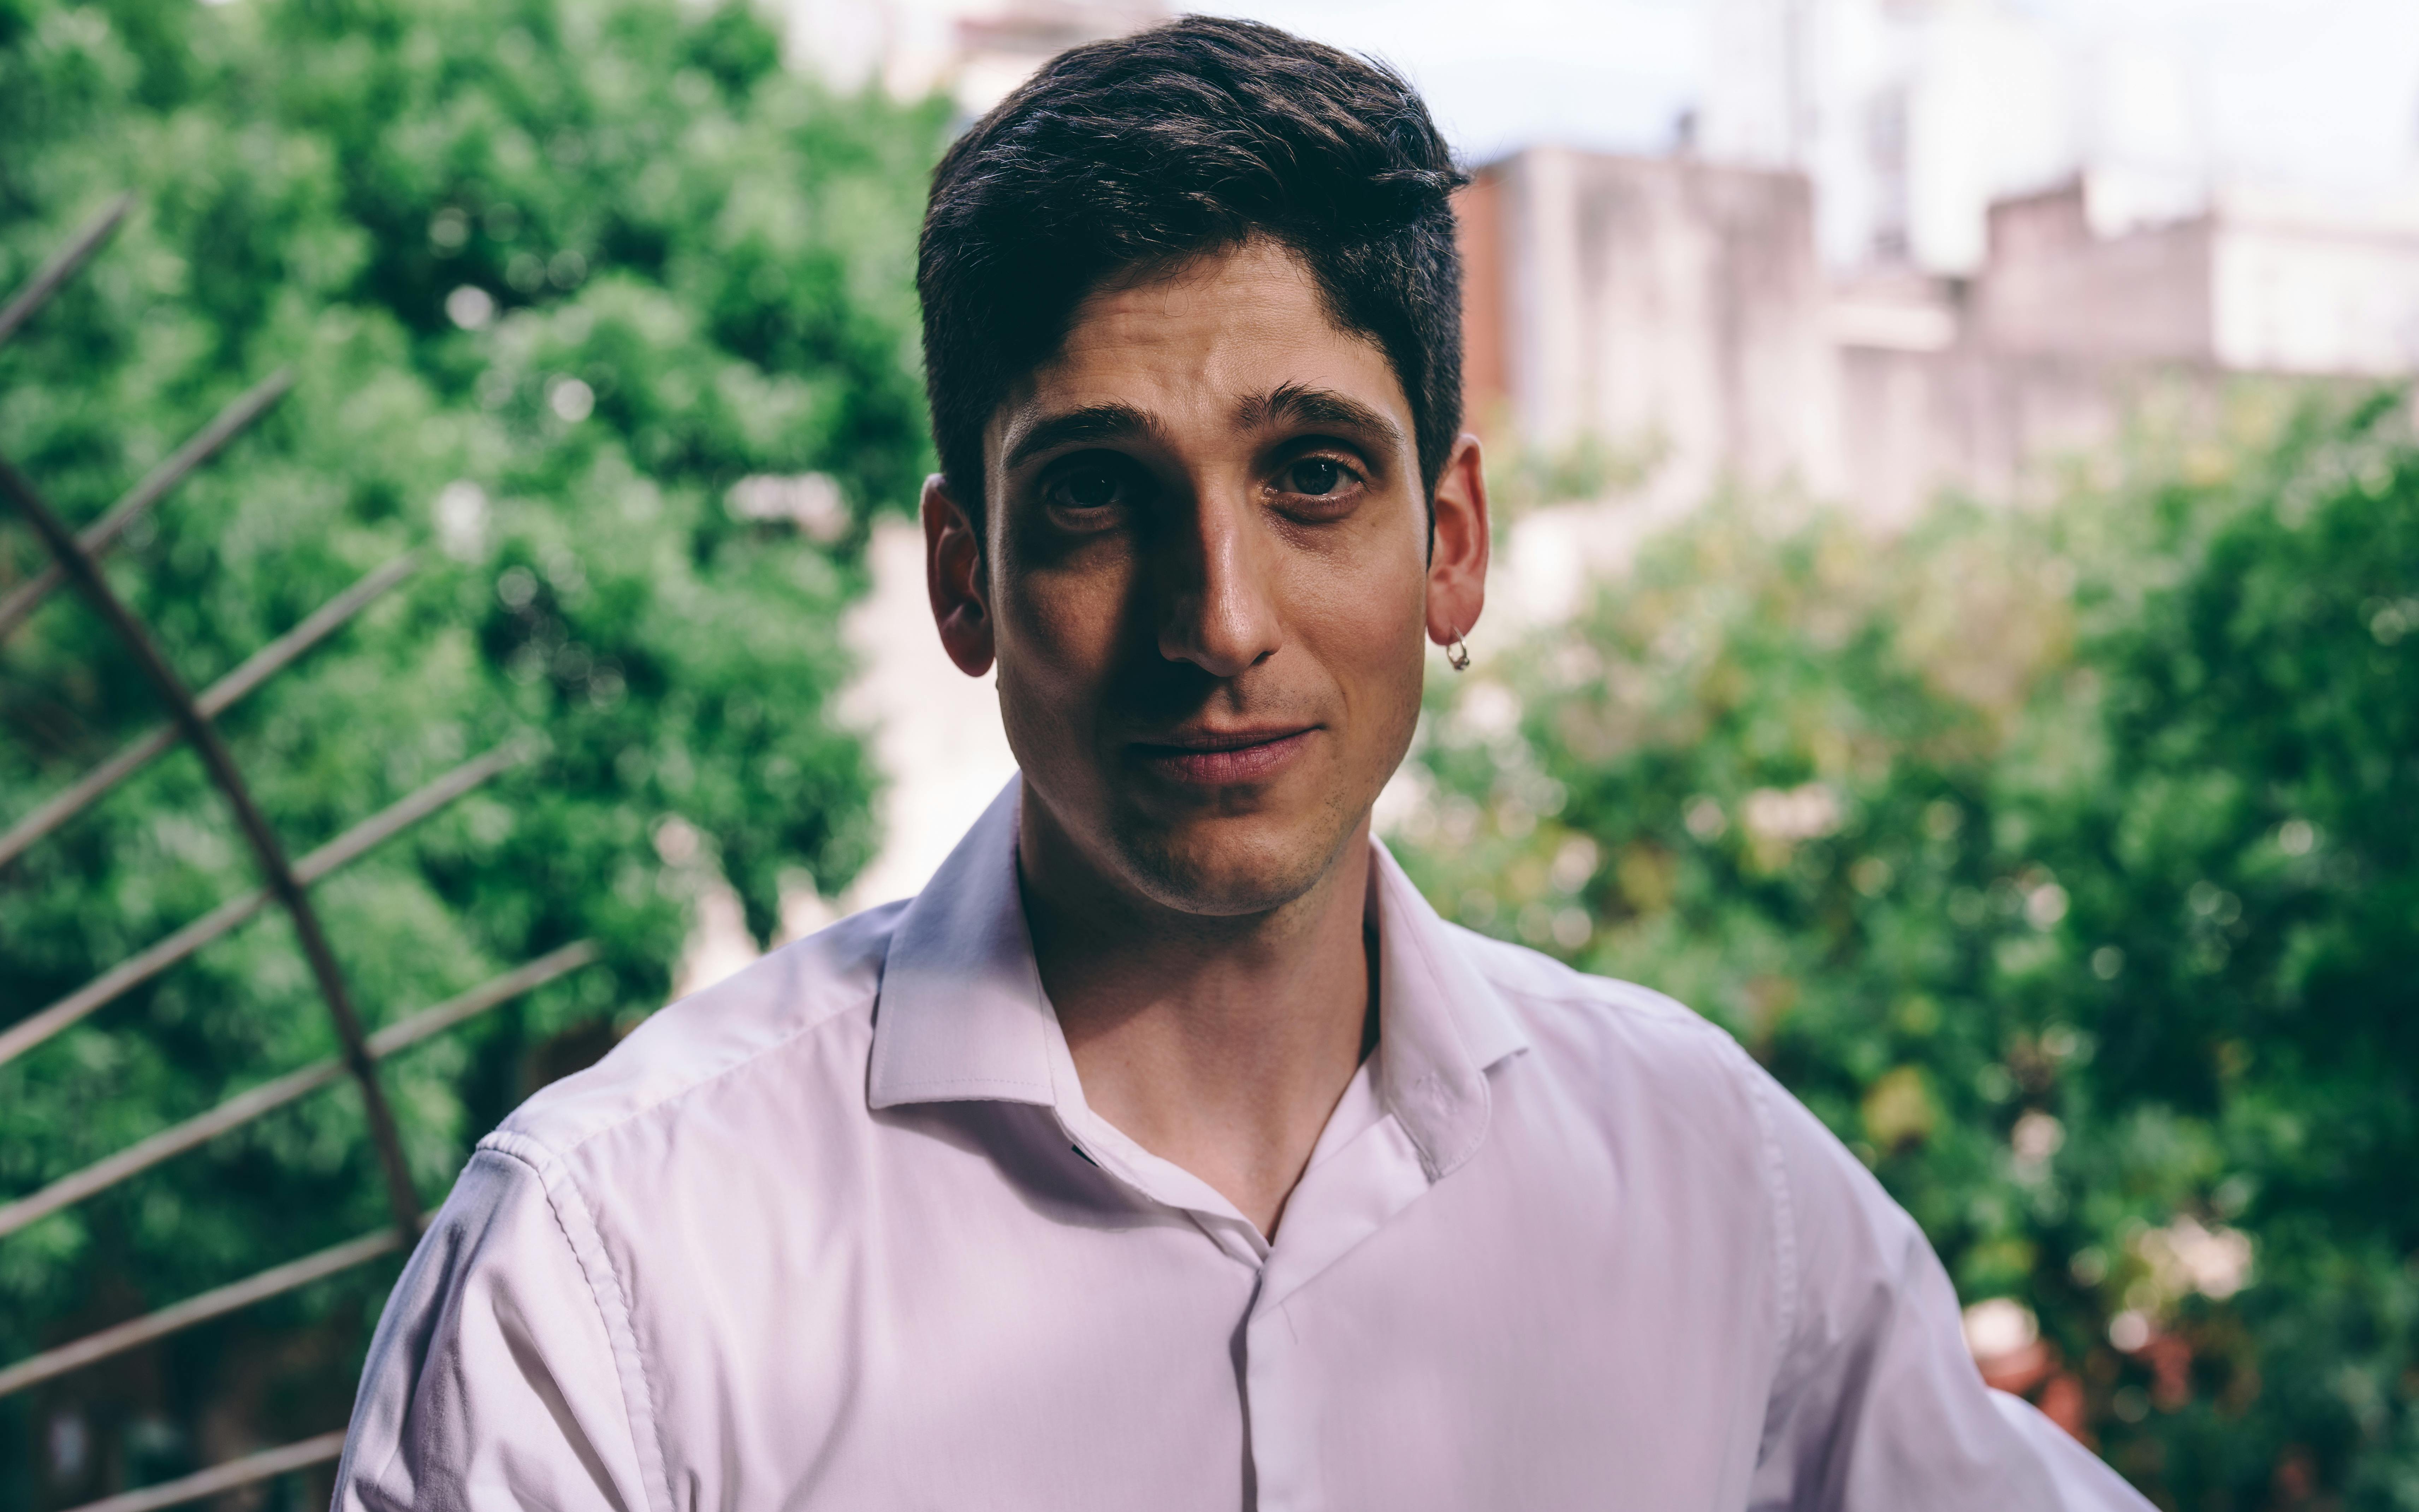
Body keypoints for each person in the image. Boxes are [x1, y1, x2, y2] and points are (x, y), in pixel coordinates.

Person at [332, 18, 2153, 1510]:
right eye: (1096, 496)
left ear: (1451, 543)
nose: (1219, 621)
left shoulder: (1704, 1181)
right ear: (968, 580)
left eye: (1313, 477)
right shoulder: (610, 1265)